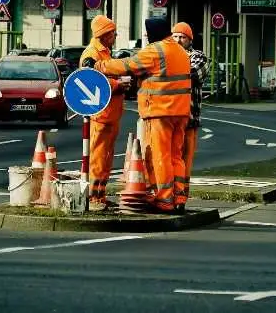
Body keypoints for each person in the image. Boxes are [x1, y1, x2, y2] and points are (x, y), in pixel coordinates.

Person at [92, 17, 191, 214]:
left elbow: (127, 66)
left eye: (147, 32)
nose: (146, 36)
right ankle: (179, 197)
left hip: (160, 111)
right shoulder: (180, 50)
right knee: (175, 156)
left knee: (159, 156)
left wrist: (98, 66)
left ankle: (164, 199)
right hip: (181, 112)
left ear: (154, 32)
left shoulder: (156, 50)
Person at [79, 15, 130, 211]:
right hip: (101, 114)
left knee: (106, 157)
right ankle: (94, 197)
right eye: (112, 32)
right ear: (103, 34)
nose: (115, 35)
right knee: (98, 156)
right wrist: (118, 84)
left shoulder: (104, 53)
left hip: (110, 114)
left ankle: (100, 194)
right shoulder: (91, 55)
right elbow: (90, 82)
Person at [172, 22, 210, 209]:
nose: (178, 40)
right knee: (169, 158)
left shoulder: (198, 57)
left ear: (190, 40)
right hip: (169, 117)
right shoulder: (170, 55)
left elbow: (192, 74)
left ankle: (181, 198)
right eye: (175, 36)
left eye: (182, 37)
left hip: (189, 118)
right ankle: (167, 195)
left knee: (185, 161)